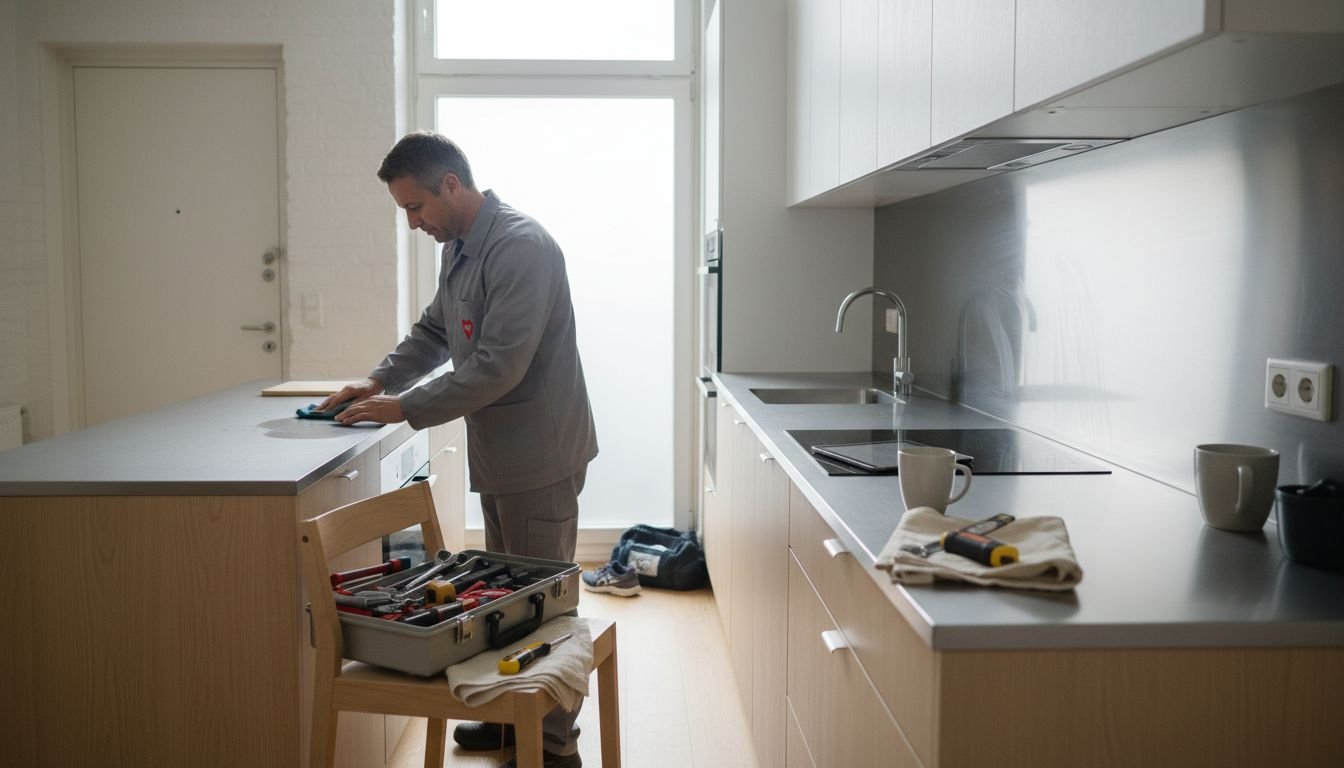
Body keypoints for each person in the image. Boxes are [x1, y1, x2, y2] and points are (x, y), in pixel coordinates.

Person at [319, 131, 597, 768]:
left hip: (541, 454)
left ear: (451, 184)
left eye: (416, 208)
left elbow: (500, 364)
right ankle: (508, 719)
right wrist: (380, 378)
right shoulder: (463, 247)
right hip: (503, 452)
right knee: (507, 595)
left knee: (544, 601)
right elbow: (436, 331)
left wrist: (405, 408)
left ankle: (553, 745)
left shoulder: (520, 246)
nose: (414, 223)